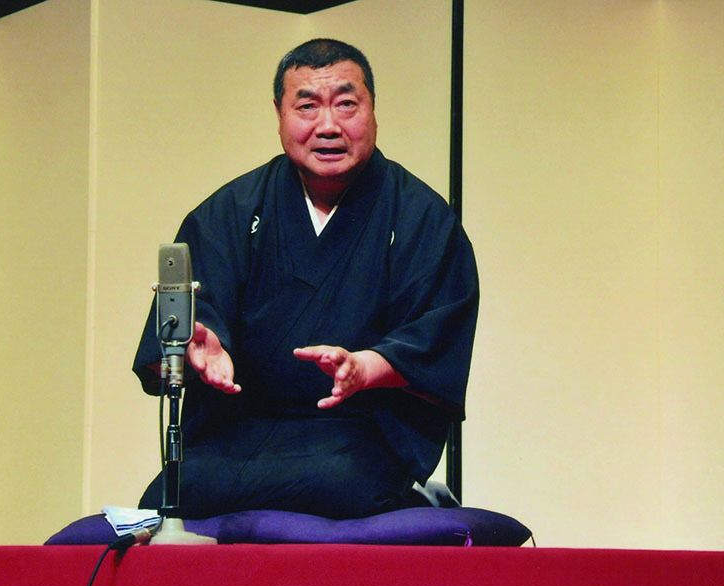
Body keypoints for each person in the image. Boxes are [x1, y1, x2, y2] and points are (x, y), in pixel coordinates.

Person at [134, 39, 479, 520]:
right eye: (307, 106)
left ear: (373, 111)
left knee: (340, 485)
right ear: (279, 114)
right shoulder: (230, 212)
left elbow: (436, 335)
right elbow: (183, 333)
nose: (328, 125)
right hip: (237, 432)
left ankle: (418, 494)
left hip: (355, 434)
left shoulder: (422, 217)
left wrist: (365, 367)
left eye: (346, 104)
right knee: (173, 494)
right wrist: (198, 348)